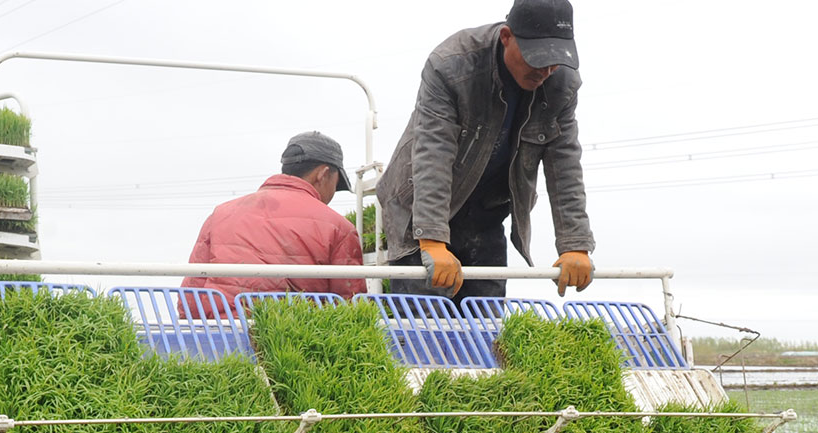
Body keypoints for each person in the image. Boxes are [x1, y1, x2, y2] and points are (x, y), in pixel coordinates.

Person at [377, 0, 594, 301]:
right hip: (421, 211)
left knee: (485, 319)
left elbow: (565, 163)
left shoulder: (562, 85)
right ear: (507, 37)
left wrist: (575, 244)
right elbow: (433, 152)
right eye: (537, 59)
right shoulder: (451, 65)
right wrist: (432, 239)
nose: (545, 70)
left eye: (555, 60)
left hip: (487, 213)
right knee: (425, 320)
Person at [181, 131, 364, 310]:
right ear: (322, 174)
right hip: (291, 328)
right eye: (336, 184)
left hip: (219, 326)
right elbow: (352, 309)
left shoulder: (220, 214)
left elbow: (190, 295)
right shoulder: (338, 227)